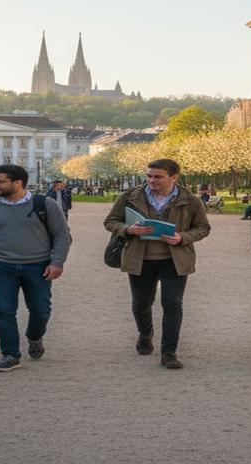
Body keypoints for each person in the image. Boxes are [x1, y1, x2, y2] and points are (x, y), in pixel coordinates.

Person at [103, 158, 211, 369]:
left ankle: (169, 352)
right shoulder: (130, 196)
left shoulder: (191, 200)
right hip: (140, 258)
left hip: (175, 260)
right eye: (149, 176)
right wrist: (128, 229)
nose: (152, 180)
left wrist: (182, 238)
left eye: (158, 177)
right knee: (141, 303)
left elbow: (203, 227)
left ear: (174, 178)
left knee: (173, 304)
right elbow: (110, 221)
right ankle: (145, 333)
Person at [0, 165, 72, 372]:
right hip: (0, 266)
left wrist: (57, 262)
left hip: (37, 266)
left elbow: (62, 235)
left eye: (0, 181)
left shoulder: (45, 204)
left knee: (40, 310)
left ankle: (34, 336)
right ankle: (10, 354)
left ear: (18, 182)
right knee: (4, 311)